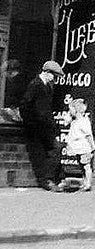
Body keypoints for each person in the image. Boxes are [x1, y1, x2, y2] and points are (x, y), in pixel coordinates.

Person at [19, 61, 64, 191]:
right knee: (52, 151)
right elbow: (24, 105)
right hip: (38, 127)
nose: (55, 80)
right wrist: (31, 123)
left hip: (46, 127)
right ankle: (48, 181)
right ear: (48, 73)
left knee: (54, 151)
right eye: (54, 76)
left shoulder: (47, 86)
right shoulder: (35, 84)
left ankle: (54, 179)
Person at [64, 97, 95, 191]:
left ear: (76, 110)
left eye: (71, 110)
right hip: (78, 148)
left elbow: (88, 135)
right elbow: (66, 121)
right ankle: (84, 181)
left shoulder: (83, 121)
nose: (70, 111)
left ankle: (88, 183)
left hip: (84, 148)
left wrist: (92, 146)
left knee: (86, 166)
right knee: (82, 166)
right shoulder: (75, 121)